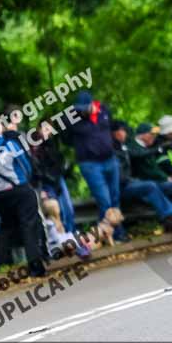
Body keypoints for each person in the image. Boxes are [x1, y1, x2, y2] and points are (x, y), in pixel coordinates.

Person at [0, 115, 46, 277]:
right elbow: (26, 166)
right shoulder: (10, 144)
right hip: (19, 189)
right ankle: (35, 264)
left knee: (5, 228)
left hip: (0, 194)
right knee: (28, 225)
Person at [63, 91, 126, 240]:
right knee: (104, 200)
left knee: (115, 197)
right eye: (80, 108)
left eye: (85, 107)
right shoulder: (71, 118)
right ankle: (115, 235)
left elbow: (113, 126)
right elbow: (65, 139)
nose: (82, 111)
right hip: (90, 164)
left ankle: (110, 233)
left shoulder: (104, 111)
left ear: (93, 104)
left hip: (110, 160)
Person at [111, 121, 172, 232]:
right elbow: (136, 158)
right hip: (123, 185)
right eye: (151, 134)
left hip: (134, 182)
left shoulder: (124, 147)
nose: (154, 137)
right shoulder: (125, 147)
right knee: (151, 185)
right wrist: (157, 150)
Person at [29, 122, 76, 233]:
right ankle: (63, 237)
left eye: (49, 129)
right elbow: (35, 167)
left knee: (68, 209)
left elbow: (57, 161)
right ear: (39, 128)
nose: (47, 131)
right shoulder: (33, 144)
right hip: (45, 183)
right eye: (45, 128)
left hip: (57, 179)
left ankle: (71, 235)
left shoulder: (51, 143)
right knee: (56, 212)